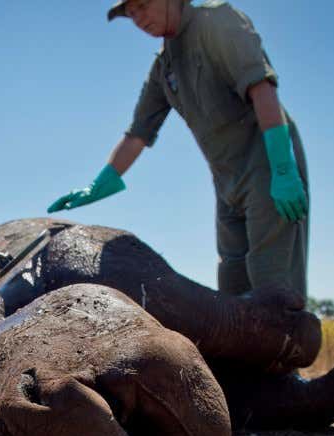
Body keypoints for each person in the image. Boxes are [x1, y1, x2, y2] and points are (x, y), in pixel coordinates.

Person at [48, 0, 310, 300]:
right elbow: (138, 134)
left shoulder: (217, 22)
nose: (138, 18)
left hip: (266, 163)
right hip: (226, 180)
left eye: (143, 6)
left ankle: (294, 345)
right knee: (233, 285)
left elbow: (261, 88)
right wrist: (98, 184)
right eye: (131, 14)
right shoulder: (163, 67)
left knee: (273, 284)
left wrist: (283, 168)